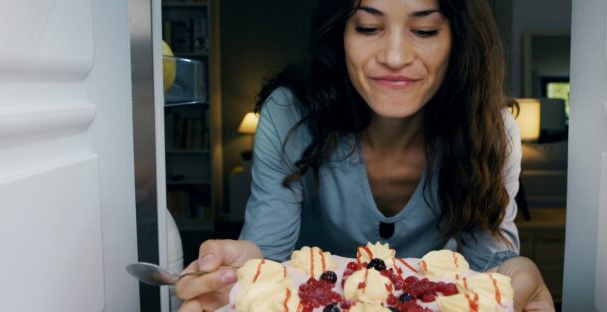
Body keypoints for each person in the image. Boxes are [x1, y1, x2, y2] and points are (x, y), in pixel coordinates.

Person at [176, 0, 554, 311]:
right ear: (339, 34)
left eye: (425, 31)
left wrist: (522, 269)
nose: (393, 56)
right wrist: (234, 275)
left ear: (459, 41)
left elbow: (490, 268)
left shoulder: (491, 129)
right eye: (368, 28)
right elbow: (268, 261)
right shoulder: (290, 115)